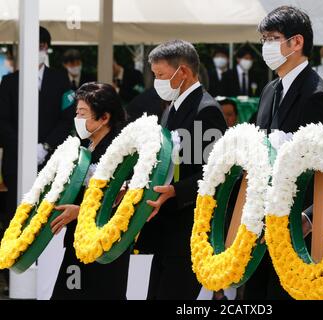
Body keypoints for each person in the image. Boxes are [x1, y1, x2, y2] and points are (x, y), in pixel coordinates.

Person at [245, 5, 323, 300]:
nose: (265, 47)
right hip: (263, 221)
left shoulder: (316, 95)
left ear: (296, 42)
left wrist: (308, 218)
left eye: (272, 38)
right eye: (263, 40)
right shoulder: (271, 88)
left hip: (296, 227)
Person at [134, 39, 227, 300]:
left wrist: (176, 190)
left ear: (182, 72)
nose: (157, 82)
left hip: (188, 228)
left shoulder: (206, 110)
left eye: (161, 75)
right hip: (166, 229)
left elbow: (215, 172)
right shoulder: (172, 109)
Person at [51, 83, 130, 300]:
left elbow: (122, 199)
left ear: (104, 117)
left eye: (82, 113)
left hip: (105, 246)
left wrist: (80, 211)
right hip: (77, 243)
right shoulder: (86, 148)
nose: (77, 119)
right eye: (77, 112)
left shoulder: (121, 152)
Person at [0, 26, 74, 231]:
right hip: (15, 162)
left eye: (42, 46)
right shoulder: (8, 82)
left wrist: (45, 146)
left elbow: (67, 118)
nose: (38, 50)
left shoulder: (60, 79)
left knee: (47, 216)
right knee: (16, 217)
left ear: (47, 48)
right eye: (34, 46)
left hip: (50, 159)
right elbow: (2, 122)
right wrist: (25, 149)